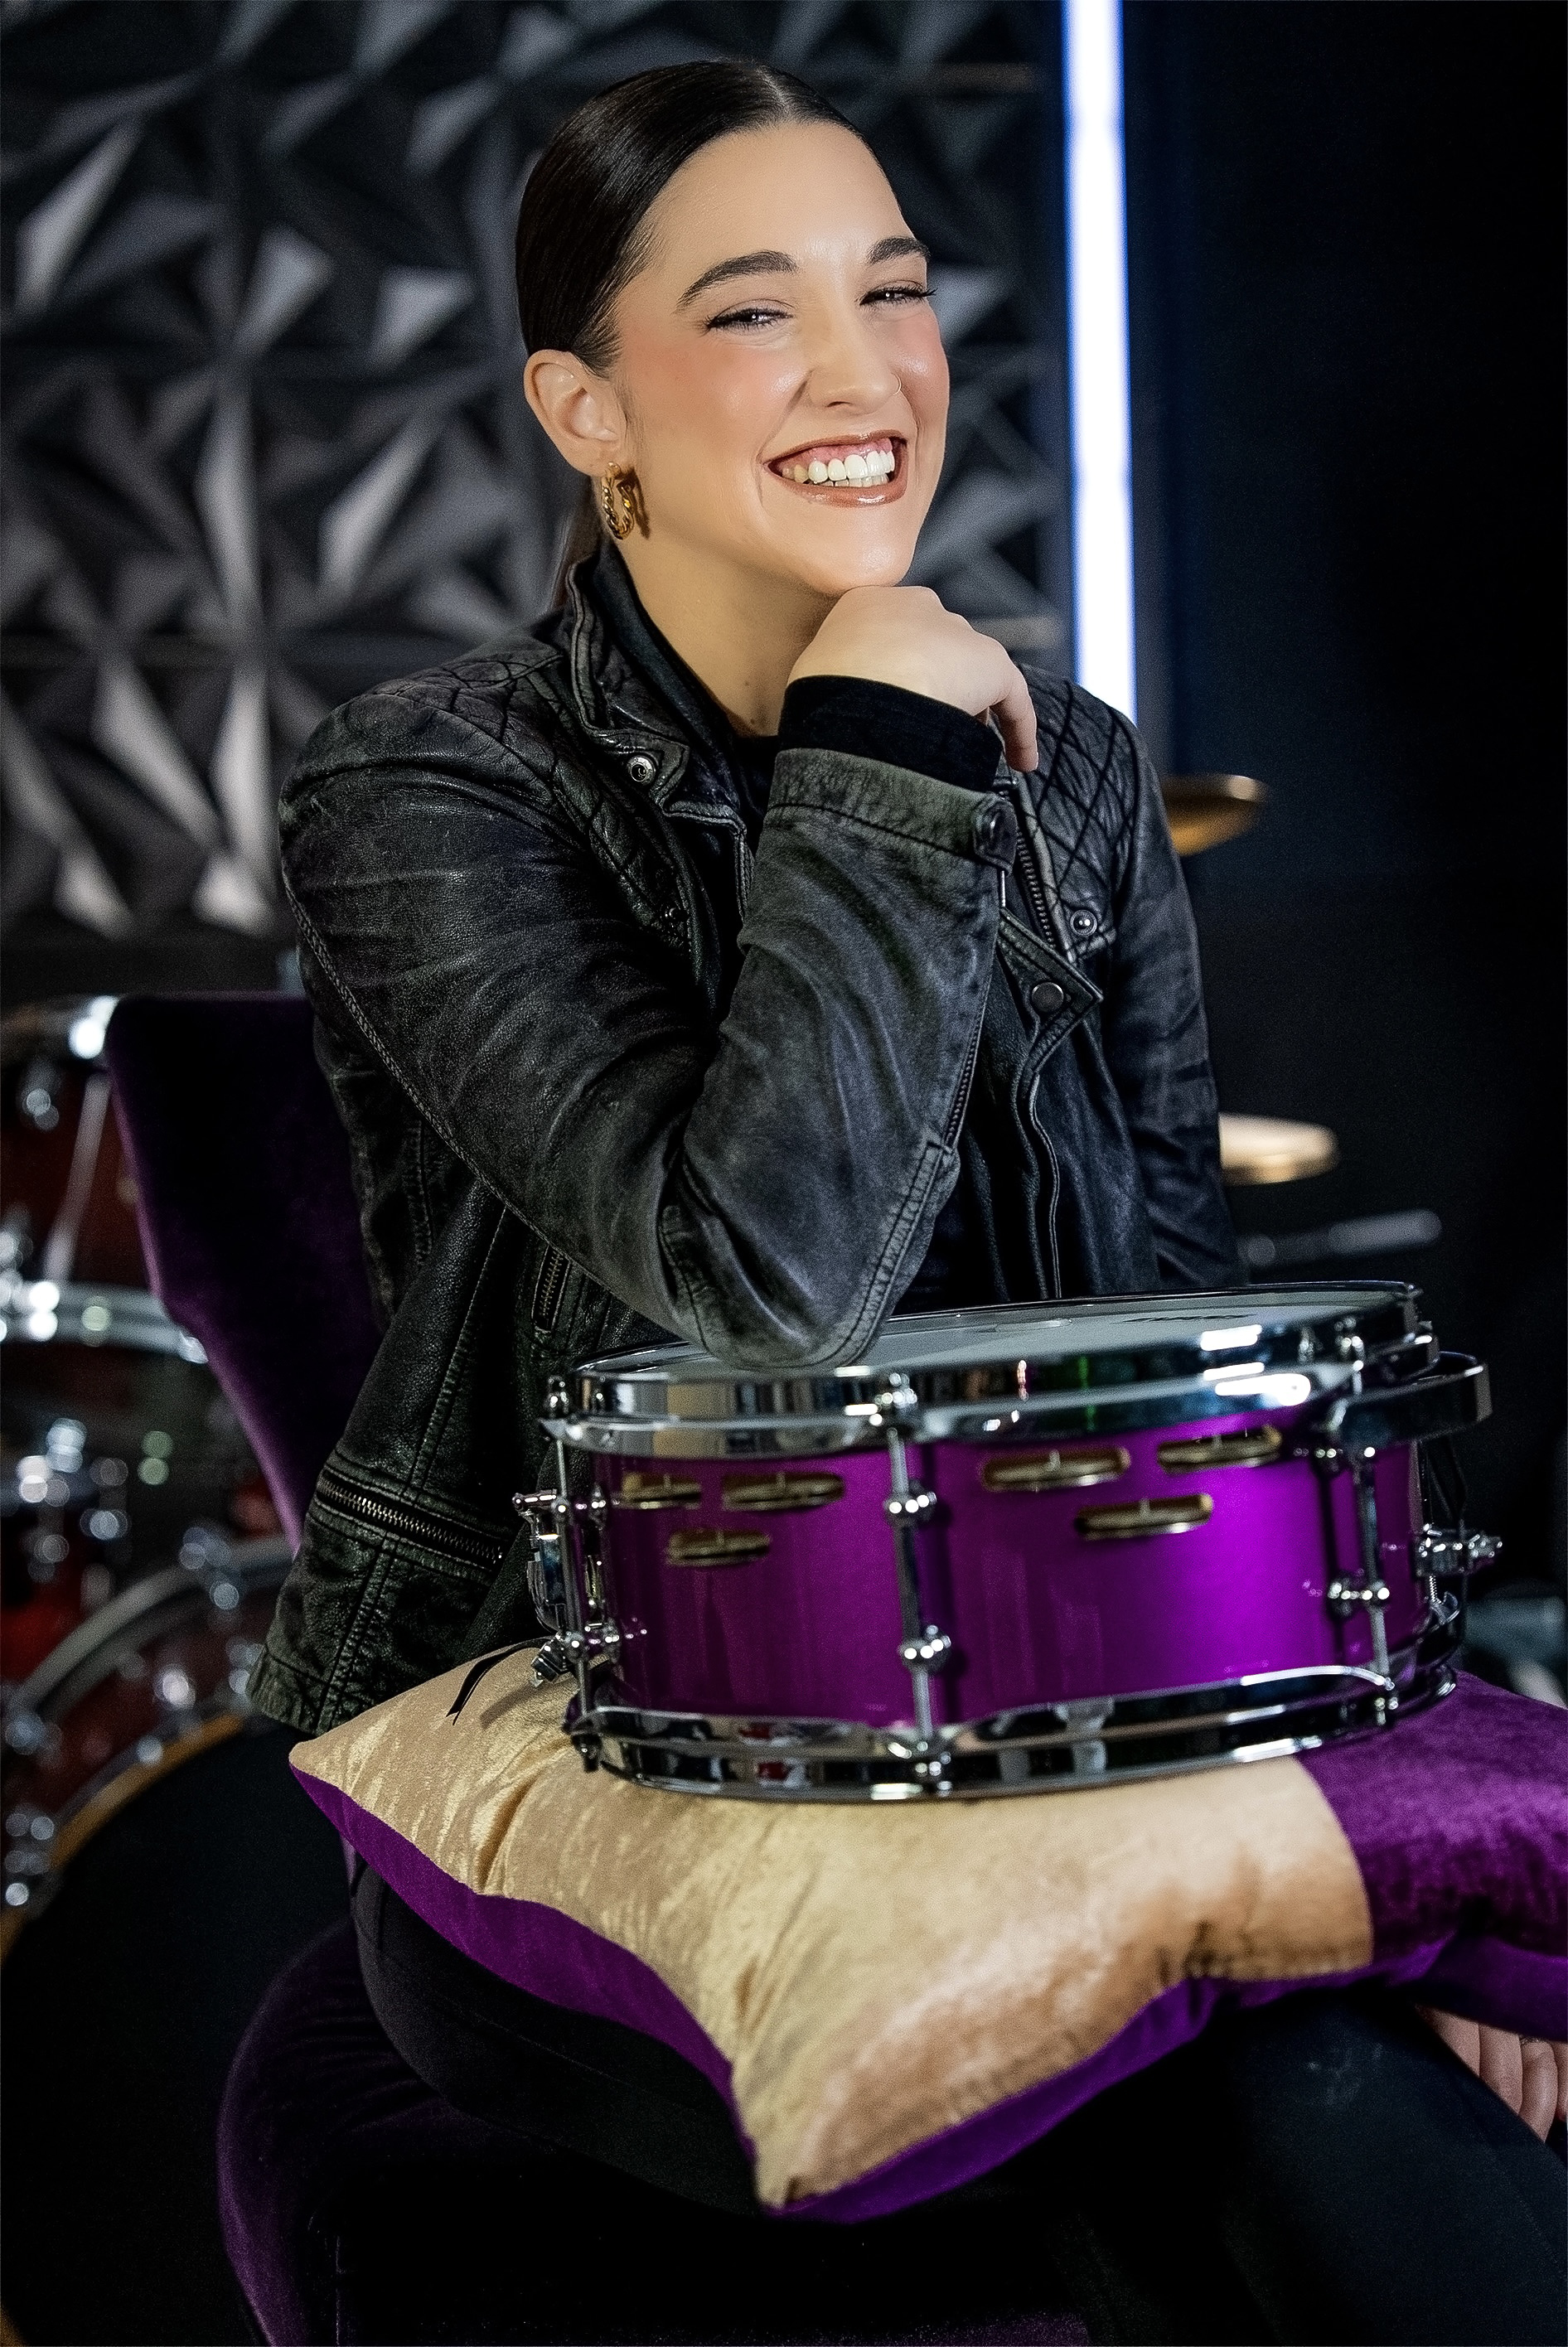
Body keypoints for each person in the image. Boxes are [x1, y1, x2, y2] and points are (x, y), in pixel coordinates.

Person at [249, 63, 1566, 2345]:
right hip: (616, 1742)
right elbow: (768, 1284)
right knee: (1243, 2094)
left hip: (1065, 1739)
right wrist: (880, 748)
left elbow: (1196, 1389)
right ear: (585, 408)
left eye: (895, 291)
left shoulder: (1085, 780)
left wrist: (1395, 1888)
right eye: (755, 310)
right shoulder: (427, 792)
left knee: (1314, 2068)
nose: (865, 372)